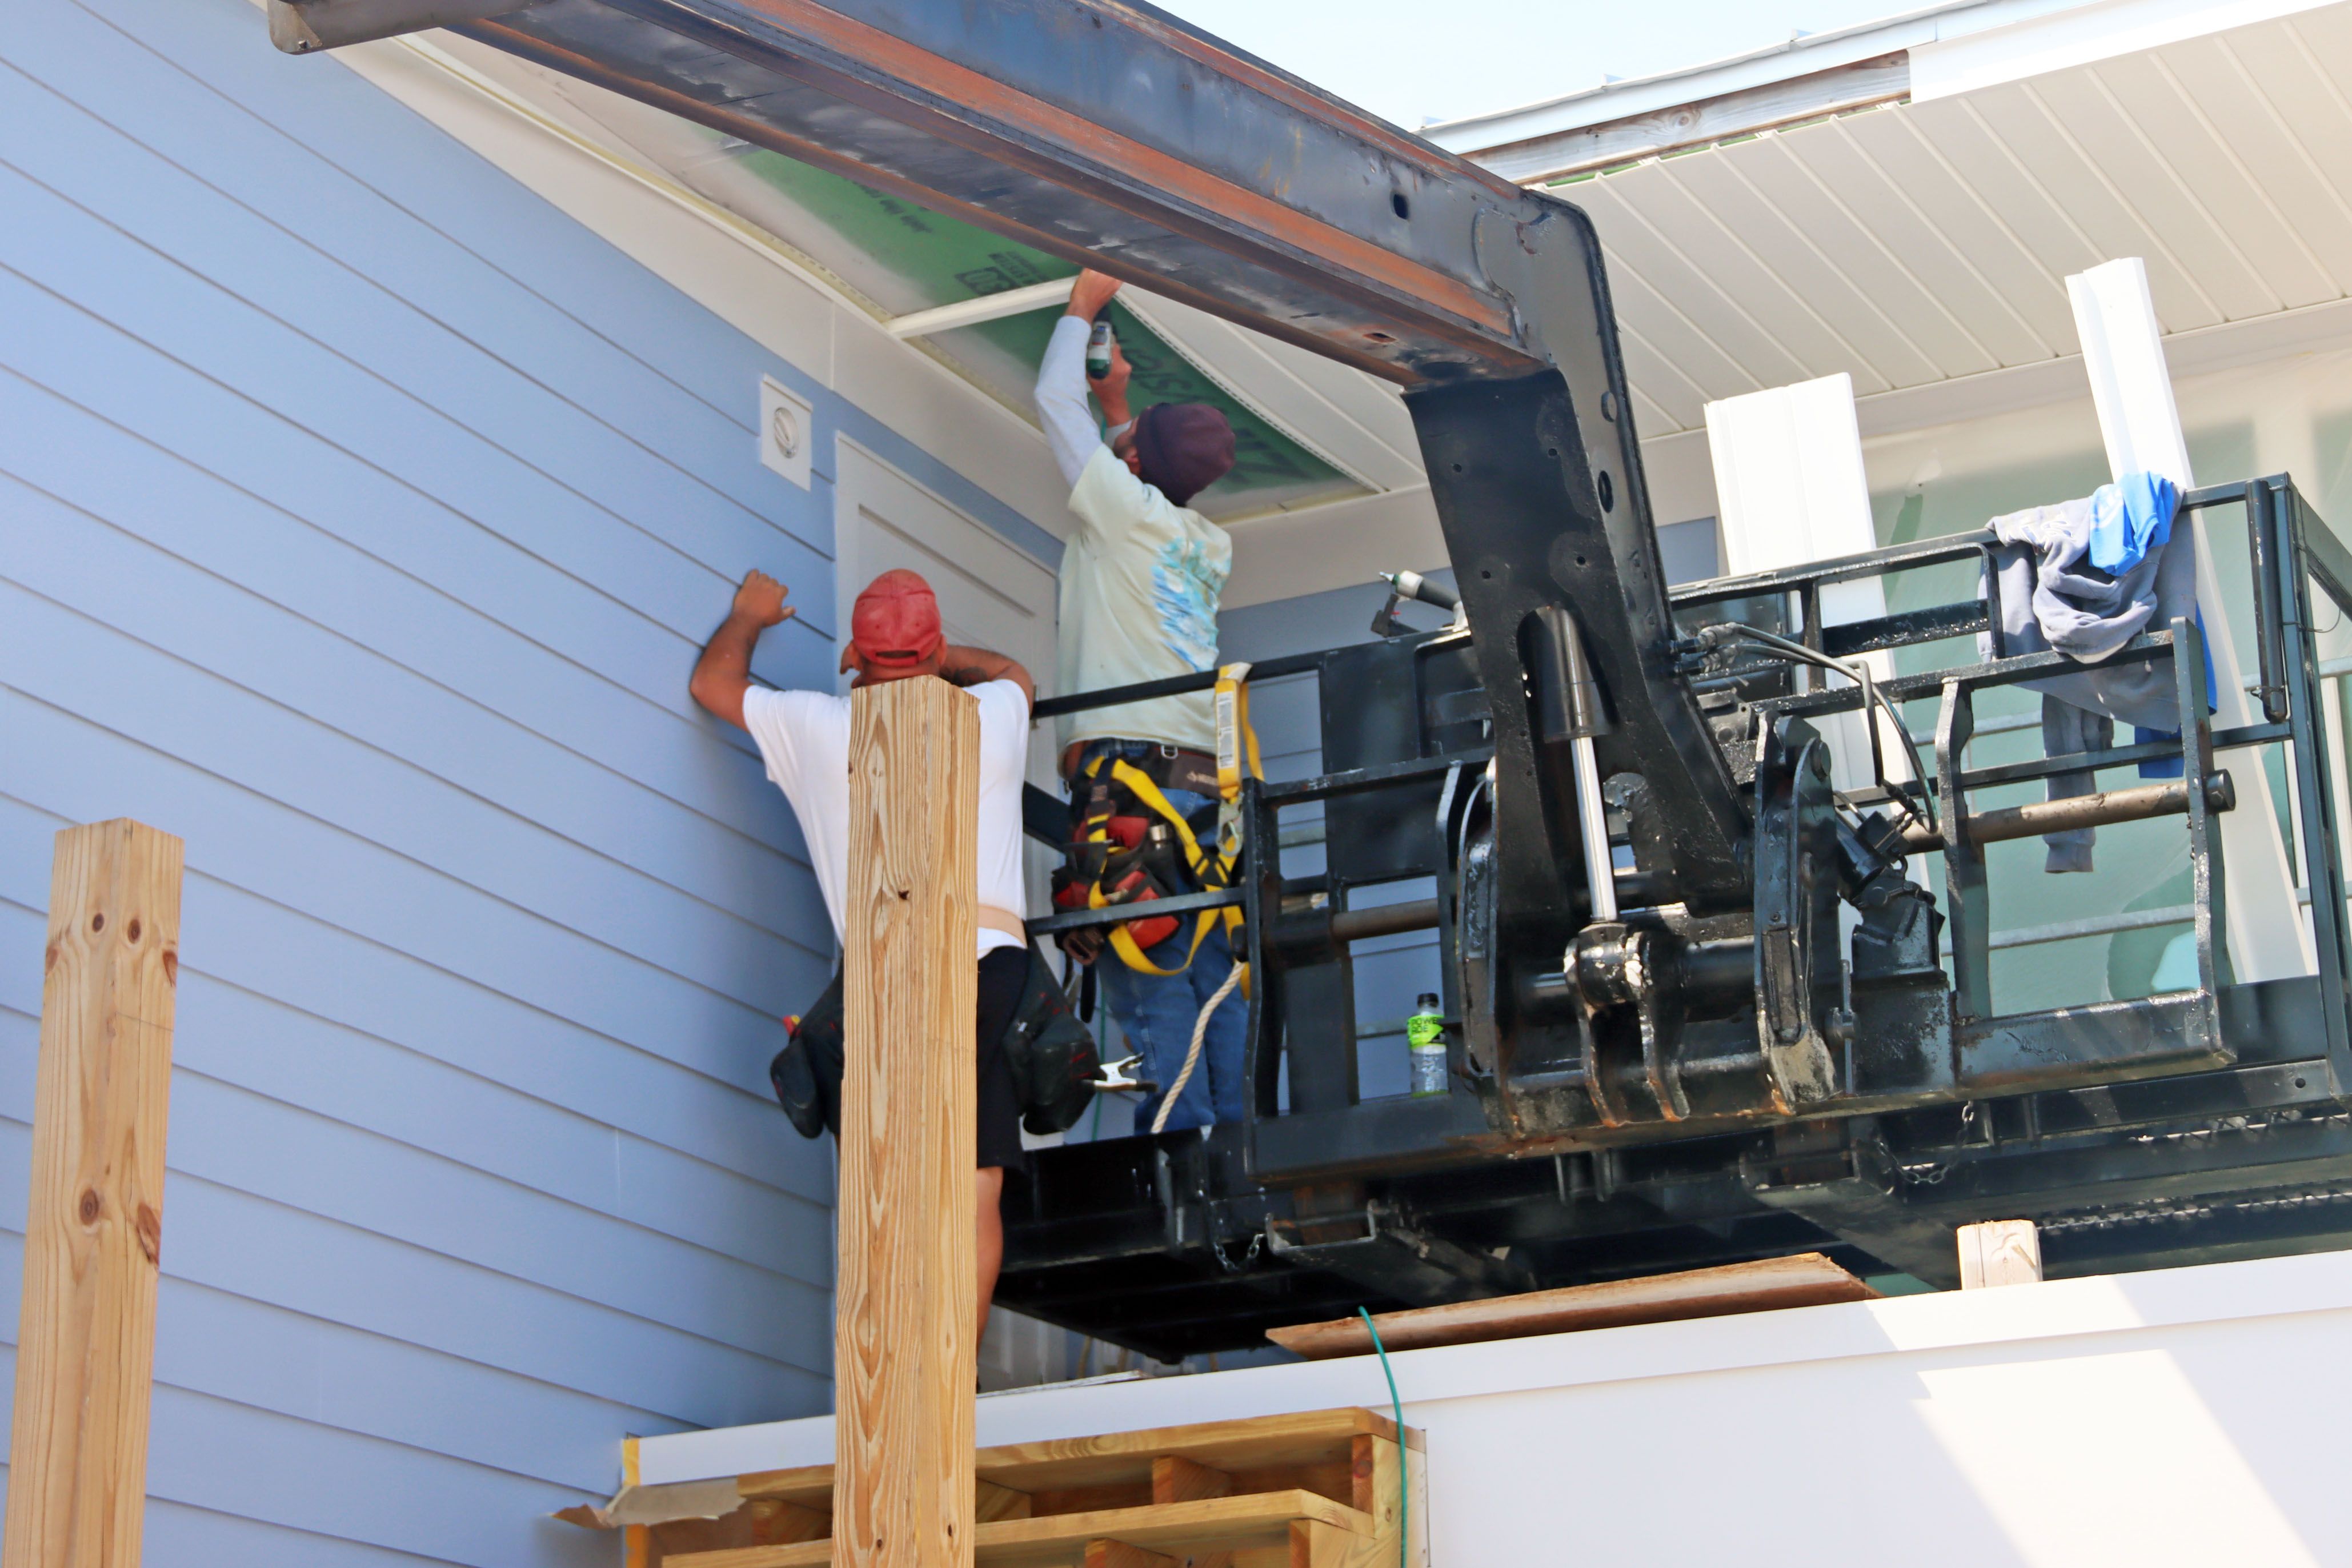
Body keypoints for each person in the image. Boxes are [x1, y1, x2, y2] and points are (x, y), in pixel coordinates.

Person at [689, 566, 1035, 1338]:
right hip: (995, 962)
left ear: (856, 653)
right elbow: (1015, 671)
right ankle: (958, 1367)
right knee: (975, 1179)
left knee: (894, 1166)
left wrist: (750, 614)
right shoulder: (993, 714)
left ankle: (897, 1348)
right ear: (936, 648)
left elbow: (716, 683)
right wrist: (946, 664)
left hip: (893, 967)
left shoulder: (818, 727)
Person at [1034, 267, 1245, 1135]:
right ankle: (1231, 1152)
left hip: (1129, 786)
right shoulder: (1204, 541)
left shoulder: (1123, 515)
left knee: (1150, 969)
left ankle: (1183, 1161)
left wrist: (1081, 307)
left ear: (1131, 467)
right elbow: (1138, 467)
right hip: (1193, 790)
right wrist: (1120, 403)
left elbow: (1054, 403)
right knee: (1206, 978)